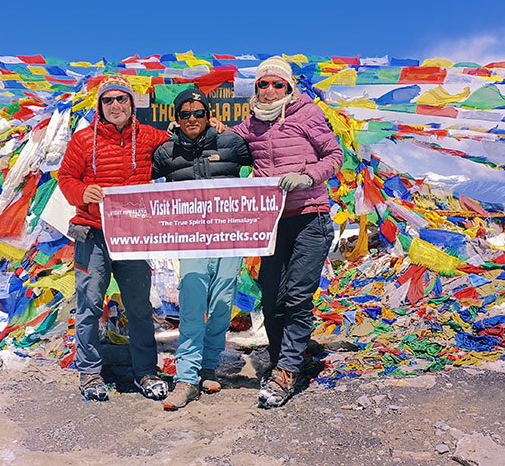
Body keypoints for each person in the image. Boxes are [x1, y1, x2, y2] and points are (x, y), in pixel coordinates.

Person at [229, 56, 343, 408]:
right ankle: (283, 361)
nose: (270, 90)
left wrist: (309, 176)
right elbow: (223, 145)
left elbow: (334, 154)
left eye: (278, 83)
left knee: (297, 297)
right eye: (263, 83)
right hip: (272, 222)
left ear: (289, 88)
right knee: (273, 300)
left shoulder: (307, 114)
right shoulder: (250, 124)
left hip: (310, 218)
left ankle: (288, 370)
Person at [57, 74, 170, 402]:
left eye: (122, 99)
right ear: (100, 105)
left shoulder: (149, 137)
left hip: (132, 236)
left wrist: (214, 130)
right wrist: (82, 191)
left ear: (132, 104)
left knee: (138, 305)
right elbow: (65, 178)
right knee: (90, 303)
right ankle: (90, 371)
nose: (116, 106)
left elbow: (184, 143)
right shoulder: (82, 141)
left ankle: (146, 371)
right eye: (108, 100)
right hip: (92, 233)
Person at [151, 89, 253, 411]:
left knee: (223, 302)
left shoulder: (232, 143)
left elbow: (260, 172)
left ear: (209, 115)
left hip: (230, 236)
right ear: (176, 118)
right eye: (185, 114)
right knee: (193, 304)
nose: (192, 119)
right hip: (189, 238)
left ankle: (209, 366)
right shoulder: (165, 152)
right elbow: (143, 188)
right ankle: (186, 378)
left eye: (198, 113)